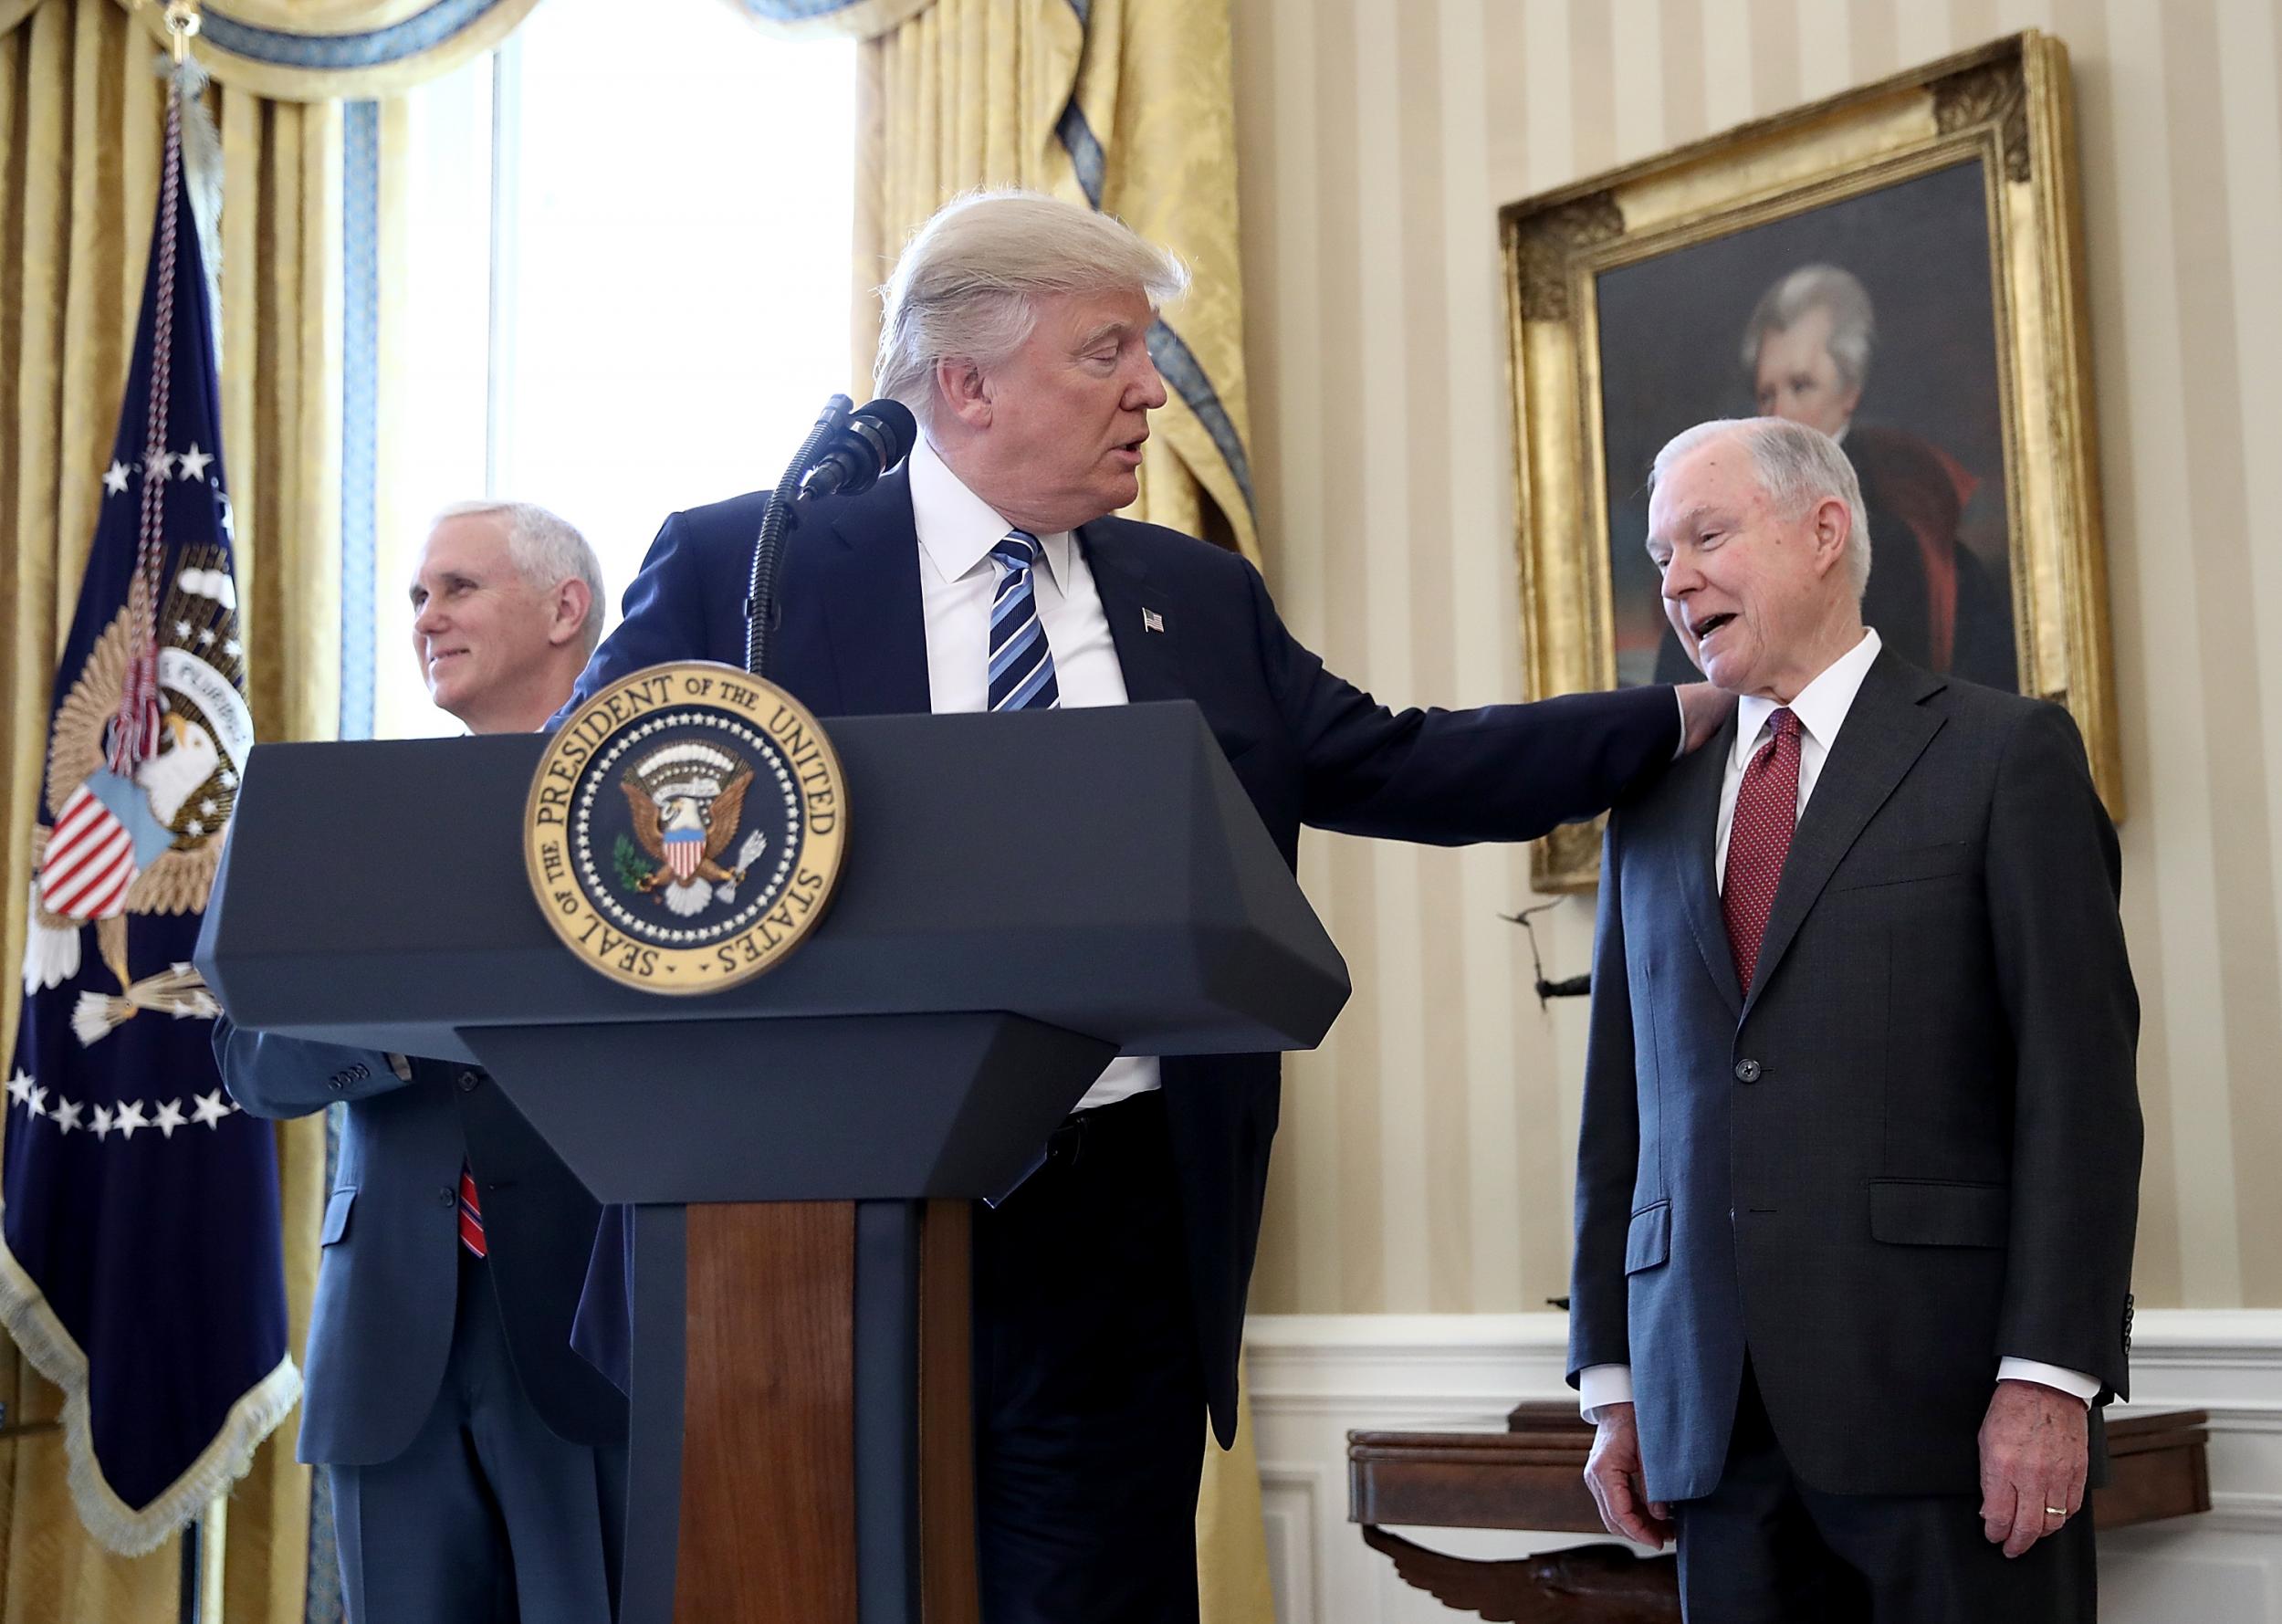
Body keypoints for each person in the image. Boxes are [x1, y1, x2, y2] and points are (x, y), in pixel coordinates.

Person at [561, 189, 1730, 1623]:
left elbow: (1405, 759)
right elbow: (589, 824)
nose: (1146, 392)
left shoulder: (1194, 596)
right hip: (818, 1225)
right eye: (1106, 352)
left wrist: (1685, 715)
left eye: (1148, 353)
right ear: (968, 382)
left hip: (1113, 1222)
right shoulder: (754, 566)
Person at [1572, 417, 2141, 1622]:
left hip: (1947, 1418)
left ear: (1823, 530)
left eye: (1706, 536)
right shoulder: (1652, 801)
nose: (1673, 580)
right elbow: (1621, 1106)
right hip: (1712, 1430)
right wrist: (1615, 1378)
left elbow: (2077, 1092)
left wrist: (2048, 1375)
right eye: (1661, 552)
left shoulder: (2004, 754)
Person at [215, 502, 624, 1624]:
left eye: (458, 589)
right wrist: (409, 1023)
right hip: (390, 1343)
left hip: (597, 1323)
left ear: (564, 609)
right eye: (415, 597)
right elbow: (251, 1055)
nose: (426, 618)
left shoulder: (655, 809)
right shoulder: (351, 822)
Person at [1653, 263, 2016, 692]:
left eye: (1801, 386)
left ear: (1850, 391)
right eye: (1767, 394)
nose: (1778, 411)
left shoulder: (1903, 528)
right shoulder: (1703, 597)